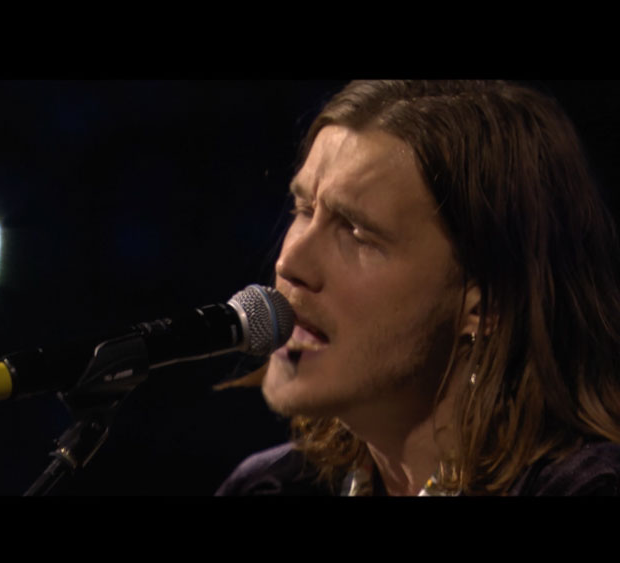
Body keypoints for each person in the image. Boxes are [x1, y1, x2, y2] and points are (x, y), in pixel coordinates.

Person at [217, 80, 620, 496]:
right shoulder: (266, 486)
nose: (289, 264)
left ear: (486, 305)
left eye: (356, 231)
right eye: (304, 208)